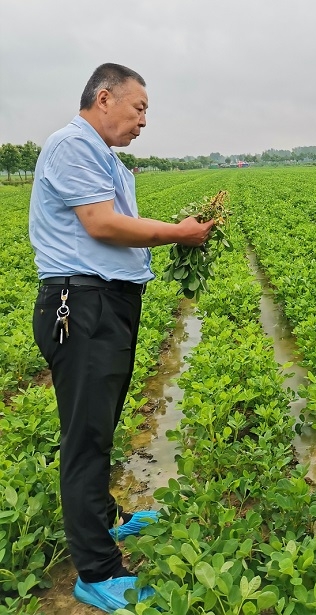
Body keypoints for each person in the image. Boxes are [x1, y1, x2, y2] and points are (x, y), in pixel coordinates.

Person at [29, 63, 214, 612]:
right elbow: (102, 224)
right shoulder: (71, 145)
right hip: (80, 304)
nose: (143, 122)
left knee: (99, 426)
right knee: (86, 437)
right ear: (104, 99)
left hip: (104, 303)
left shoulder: (102, 154)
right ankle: (97, 570)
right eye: (139, 109)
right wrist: (180, 233)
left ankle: (106, 518)